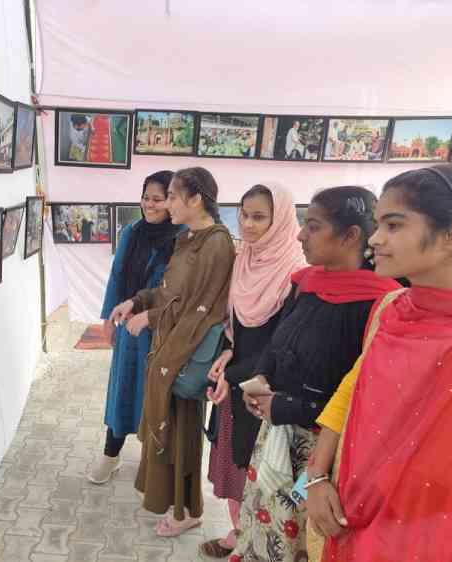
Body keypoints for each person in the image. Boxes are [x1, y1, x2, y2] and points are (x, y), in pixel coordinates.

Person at [306, 165, 452, 562]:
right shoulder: (393, 307)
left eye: (394, 225)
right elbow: (352, 390)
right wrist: (316, 476)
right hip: (351, 508)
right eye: (378, 224)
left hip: (428, 536)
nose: (375, 239)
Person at [229, 186, 401, 562]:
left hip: (323, 456)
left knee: (300, 543)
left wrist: (286, 406)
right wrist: (260, 375)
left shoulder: (382, 304)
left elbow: (358, 397)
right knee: (261, 530)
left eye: (314, 226)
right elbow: (278, 341)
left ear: (351, 236)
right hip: (276, 439)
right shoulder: (306, 283)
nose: (300, 234)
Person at [109, 167, 236, 537]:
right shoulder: (190, 239)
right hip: (169, 348)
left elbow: (203, 307)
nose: (166, 205)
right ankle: (175, 504)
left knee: (183, 435)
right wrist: (136, 302)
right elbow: (168, 292)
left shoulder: (216, 243)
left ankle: (187, 511)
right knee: (168, 429)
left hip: (186, 353)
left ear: (195, 199)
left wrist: (150, 317)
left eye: (173, 197)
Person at [200, 184, 307, 558]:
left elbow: (279, 346)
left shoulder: (295, 272)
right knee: (232, 464)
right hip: (235, 382)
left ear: (280, 219)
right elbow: (239, 327)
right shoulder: (244, 258)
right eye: (243, 214)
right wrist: (228, 354)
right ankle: (237, 535)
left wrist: (234, 375)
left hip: (265, 392)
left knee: (258, 473)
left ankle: (251, 544)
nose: (247, 223)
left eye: (259, 216)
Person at [88, 170, 182, 484]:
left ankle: (151, 464)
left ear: (172, 201)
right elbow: (117, 276)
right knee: (122, 392)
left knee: (154, 399)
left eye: (158, 199)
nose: (150, 205)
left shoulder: (183, 237)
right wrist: (108, 319)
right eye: (145, 198)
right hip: (130, 328)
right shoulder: (132, 231)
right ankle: (110, 455)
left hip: (163, 331)